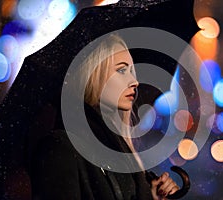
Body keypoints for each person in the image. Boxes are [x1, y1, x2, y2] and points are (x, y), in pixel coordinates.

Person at [30, 34, 180, 200]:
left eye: (132, 71)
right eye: (122, 70)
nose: (134, 81)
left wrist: (150, 195)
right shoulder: (62, 147)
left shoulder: (118, 149)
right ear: (93, 74)